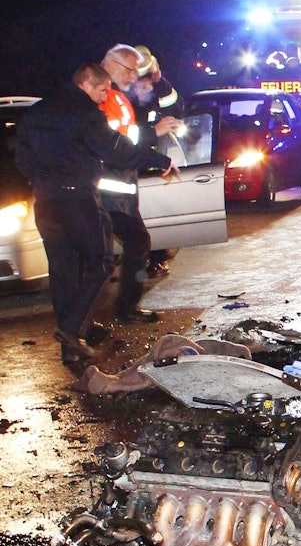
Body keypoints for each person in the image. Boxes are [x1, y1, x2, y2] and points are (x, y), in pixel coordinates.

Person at [15, 64, 177, 363]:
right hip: (77, 198)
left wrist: (42, 181)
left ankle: (71, 347)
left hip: (45, 200)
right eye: (102, 90)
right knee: (99, 262)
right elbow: (117, 150)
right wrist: (158, 158)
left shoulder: (37, 112)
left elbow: (21, 156)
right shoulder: (85, 113)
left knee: (62, 270)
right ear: (87, 84)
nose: (104, 97)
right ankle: (71, 328)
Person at [98, 44, 183, 323]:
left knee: (105, 257)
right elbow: (117, 142)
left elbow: (173, 108)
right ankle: (121, 311)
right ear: (115, 66)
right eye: (132, 71)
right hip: (107, 187)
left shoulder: (124, 97)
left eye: (139, 72)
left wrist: (158, 158)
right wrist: (153, 136)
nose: (136, 78)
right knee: (129, 245)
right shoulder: (107, 98)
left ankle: (94, 321)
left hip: (121, 183)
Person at [129, 45, 182, 277]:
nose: (149, 84)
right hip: (127, 165)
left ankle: (156, 258)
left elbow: (176, 107)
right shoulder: (119, 98)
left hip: (146, 160)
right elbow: (121, 138)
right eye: (147, 79)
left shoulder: (150, 92)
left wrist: (160, 82)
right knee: (132, 225)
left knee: (152, 216)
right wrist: (153, 132)